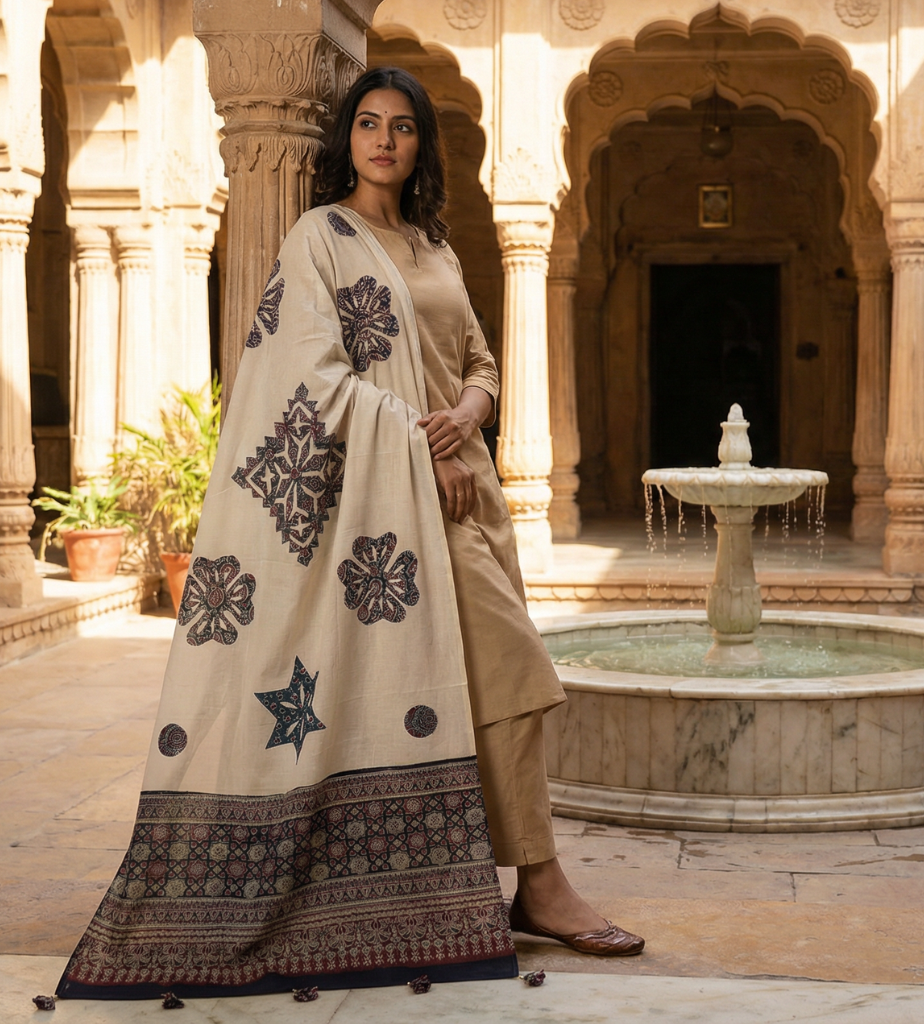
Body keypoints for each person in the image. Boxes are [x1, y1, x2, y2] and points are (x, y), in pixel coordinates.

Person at [56, 66, 641, 1003]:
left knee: (507, 686)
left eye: (401, 127)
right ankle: (539, 884)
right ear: (349, 139)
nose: (383, 141)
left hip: (463, 497)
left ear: (421, 147)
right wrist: (423, 444)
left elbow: (480, 359)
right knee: (515, 676)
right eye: (368, 124)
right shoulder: (318, 239)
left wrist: (471, 412)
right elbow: (308, 377)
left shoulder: (433, 245)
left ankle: (512, 881)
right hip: (392, 511)